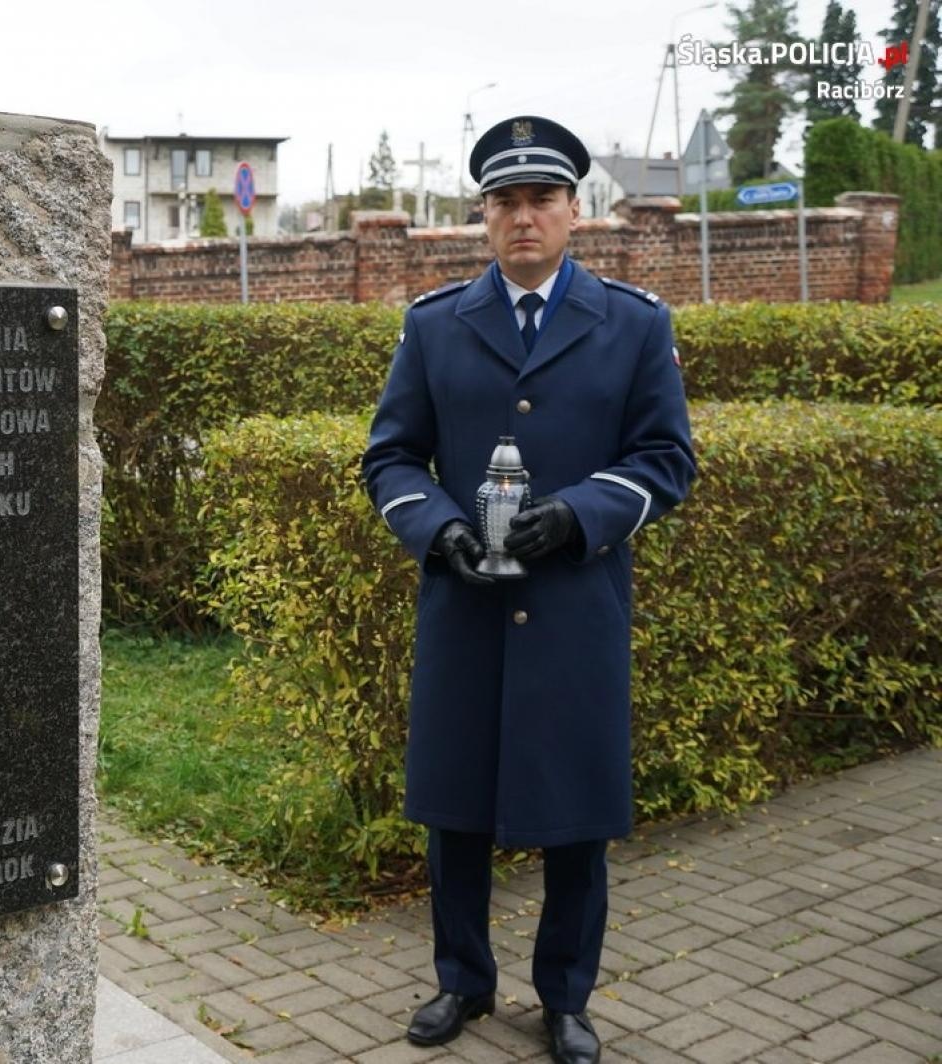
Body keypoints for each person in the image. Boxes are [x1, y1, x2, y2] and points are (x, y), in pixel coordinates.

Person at [361, 116, 696, 1064]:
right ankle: (462, 982)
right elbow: (390, 459)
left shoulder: (633, 322)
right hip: (465, 602)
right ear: (483, 216)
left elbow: (666, 458)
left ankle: (566, 997)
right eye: (505, 201)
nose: (523, 218)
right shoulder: (434, 325)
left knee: (577, 816)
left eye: (541, 199)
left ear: (573, 211)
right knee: (454, 808)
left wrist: (585, 513)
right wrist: (439, 530)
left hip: (574, 608)